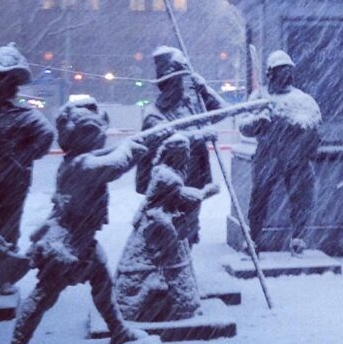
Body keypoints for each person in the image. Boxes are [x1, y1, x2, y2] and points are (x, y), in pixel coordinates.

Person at [3, 98, 146, 344]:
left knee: (102, 283)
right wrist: (132, 149)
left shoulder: (79, 159)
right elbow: (114, 166)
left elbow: (108, 156)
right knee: (44, 296)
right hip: (67, 242)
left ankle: (117, 330)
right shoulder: (82, 166)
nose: (100, 137)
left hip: (83, 237)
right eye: (94, 133)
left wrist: (130, 145)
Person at [0, 43, 55, 293]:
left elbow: (46, 136)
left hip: (13, 182)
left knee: (9, 229)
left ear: (11, 83)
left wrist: (21, 157)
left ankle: (5, 276)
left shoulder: (24, 114)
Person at [115, 132, 220, 322]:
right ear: (174, 155)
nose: (187, 157)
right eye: (184, 153)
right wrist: (206, 192)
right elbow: (182, 196)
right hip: (157, 221)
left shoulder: (169, 171)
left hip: (164, 217)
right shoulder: (166, 175)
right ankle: (153, 291)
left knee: (175, 251)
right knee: (167, 248)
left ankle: (169, 292)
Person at [137, 46, 225, 243]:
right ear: (165, 85)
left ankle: (185, 269)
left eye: (181, 81)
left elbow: (221, 112)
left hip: (195, 176)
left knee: (190, 231)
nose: (180, 86)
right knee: (171, 232)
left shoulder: (191, 105)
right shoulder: (154, 114)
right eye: (175, 82)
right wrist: (199, 135)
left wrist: (204, 90)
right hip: (171, 184)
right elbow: (167, 138)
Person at [238, 50, 322, 254]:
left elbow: (314, 122)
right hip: (267, 156)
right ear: (270, 73)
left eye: (288, 70)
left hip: (296, 157)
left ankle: (298, 239)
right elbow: (243, 125)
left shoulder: (302, 99)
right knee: (258, 199)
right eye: (280, 70)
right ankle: (253, 238)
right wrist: (258, 121)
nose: (285, 75)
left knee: (301, 199)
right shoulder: (259, 97)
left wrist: (293, 122)